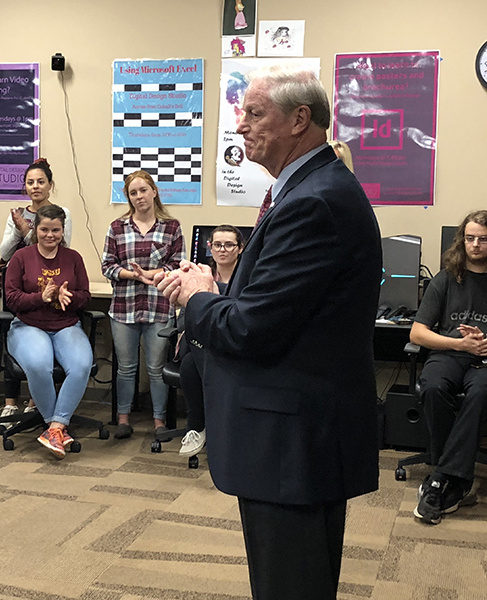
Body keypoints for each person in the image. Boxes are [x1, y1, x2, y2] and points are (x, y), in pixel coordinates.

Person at [155, 64, 382, 600]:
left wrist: (196, 297)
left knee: (291, 584)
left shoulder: (314, 203)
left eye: (255, 113)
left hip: (292, 442)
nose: (240, 126)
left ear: (300, 119)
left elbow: (252, 330)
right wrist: (215, 288)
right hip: (296, 433)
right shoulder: (308, 189)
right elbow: (275, 306)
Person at [410, 210, 487, 525]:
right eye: (469, 238)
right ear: (461, 240)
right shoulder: (444, 279)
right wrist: (459, 344)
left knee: (481, 393)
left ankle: (440, 479)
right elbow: (417, 333)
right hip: (450, 356)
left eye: (483, 238)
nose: (475, 245)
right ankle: (456, 479)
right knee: (434, 387)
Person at [4, 204, 93, 458]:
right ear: (36, 229)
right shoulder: (21, 258)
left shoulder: (73, 258)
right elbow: (12, 299)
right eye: (44, 229)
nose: (50, 235)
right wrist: (40, 298)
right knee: (39, 364)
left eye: (56, 230)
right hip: (28, 325)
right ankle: (57, 429)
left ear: (62, 230)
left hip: (65, 325)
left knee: (81, 365)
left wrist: (70, 296)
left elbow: (85, 296)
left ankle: (55, 427)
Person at [102, 169, 185, 439]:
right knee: (126, 368)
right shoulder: (117, 227)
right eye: (133, 193)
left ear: (154, 191)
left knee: (156, 369)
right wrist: (133, 274)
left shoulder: (171, 226)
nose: (139, 196)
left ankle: (159, 421)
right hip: (123, 308)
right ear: (128, 197)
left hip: (159, 307)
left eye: (143, 190)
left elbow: (177, 265)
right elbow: (108, 266)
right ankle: (123, 419)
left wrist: (151, 275)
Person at [0, 158, 73, 422]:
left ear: (50, 185)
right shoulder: (17, 213)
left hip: (51, 284)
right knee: (17, 336)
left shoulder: (61, 212)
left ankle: (37, 403)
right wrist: (21, 230)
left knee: (46, 348)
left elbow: (61, 248)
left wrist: (31, 233)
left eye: (41, 181)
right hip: (20, 282)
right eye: (30, 182)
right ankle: (11, 401)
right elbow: (4, 252)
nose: (35, 186)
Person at [179, 225, 246, 458]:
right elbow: (185, 314)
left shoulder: (248, 277)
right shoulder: (200, 274)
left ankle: (201, 427)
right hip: (201, 340)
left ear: (240, 248)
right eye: (217, 244)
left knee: (194, 364)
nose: (223, 250)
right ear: (210, 247)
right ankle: (200, 426)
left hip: (233, 343)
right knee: (190, 364)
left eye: (229, 245)